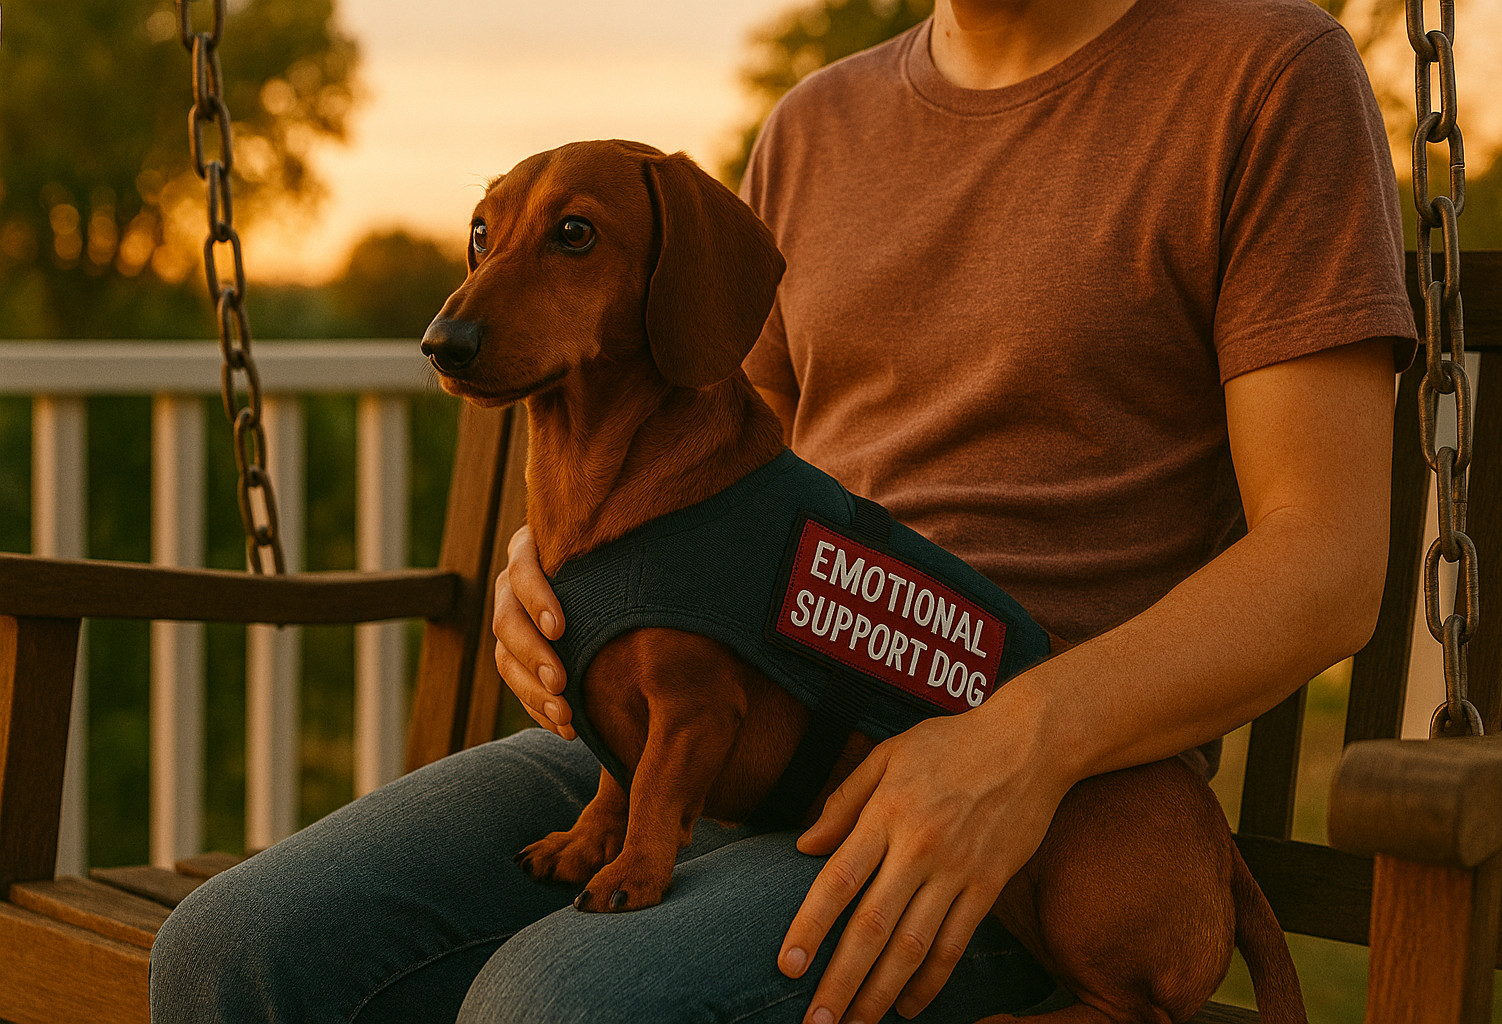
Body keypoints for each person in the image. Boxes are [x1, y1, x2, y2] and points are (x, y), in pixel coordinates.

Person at [149, 0, 1418, 1021]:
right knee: (231, 953)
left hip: (1034, 798)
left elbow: (1326, 556)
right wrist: (555, 578)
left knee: (561, 1003)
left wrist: (1016, 745)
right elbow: (707, 455)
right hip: (730, 716)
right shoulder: (818, 124)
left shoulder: (1263, 71)